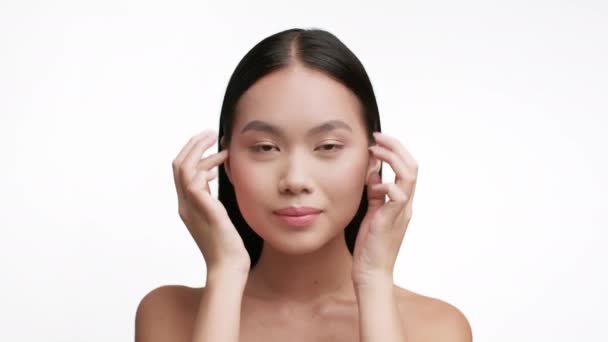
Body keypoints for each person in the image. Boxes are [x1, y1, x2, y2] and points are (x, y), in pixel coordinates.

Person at [135, 27, 472, 342]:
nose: (295, 180)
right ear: (227, 160)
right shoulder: (169, 315)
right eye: (265, 147)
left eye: (328, 147)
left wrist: (374, 281)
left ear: (374, 158)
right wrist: (224, 273)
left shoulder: (437, 328)